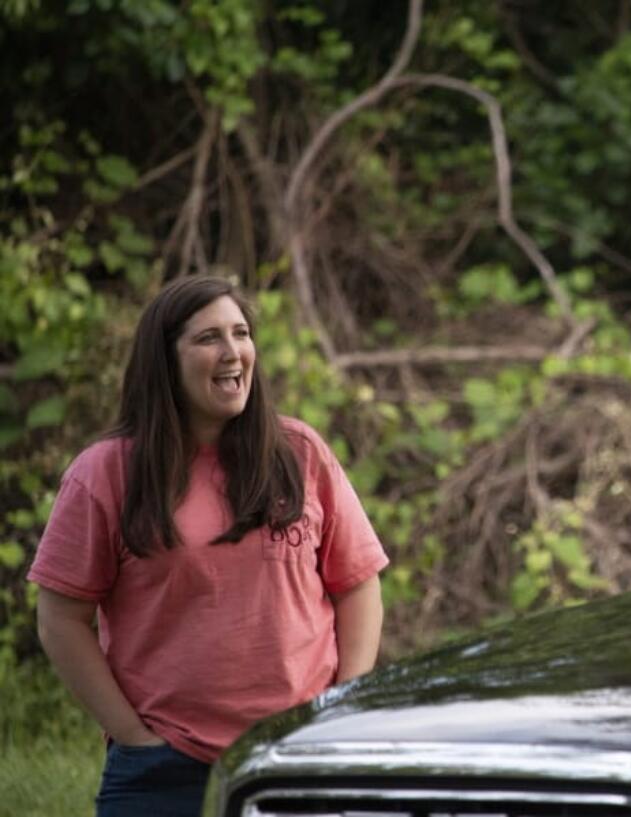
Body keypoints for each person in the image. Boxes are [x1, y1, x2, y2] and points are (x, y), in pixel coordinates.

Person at [28, 275, 388, 817]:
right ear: (164, 360)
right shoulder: (106, 473)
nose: (232, 352)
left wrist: (340, 707)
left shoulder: (298, 453)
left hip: (300, 753)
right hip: (165, 768)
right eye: (208, 338)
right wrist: (132, 734)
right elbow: (60, 618)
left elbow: (358, 585)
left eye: (241, 333)